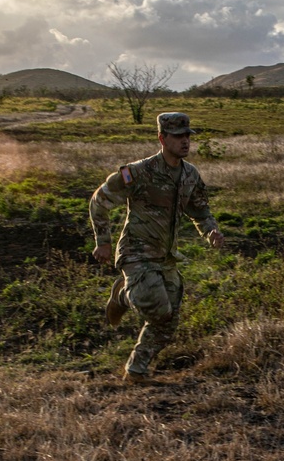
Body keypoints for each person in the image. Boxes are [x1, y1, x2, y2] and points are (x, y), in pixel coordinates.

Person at [89, 112, 224, 384]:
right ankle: (123, 296)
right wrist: (102, 242)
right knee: (158, 309)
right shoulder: (139, 172)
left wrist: (210, 230)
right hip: (136, 252)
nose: (185, 141)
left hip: (166, 257)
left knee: (167, 322)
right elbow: (99, 201)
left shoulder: (190, 174)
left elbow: (200, 210)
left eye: (188, 136)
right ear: (163, 139)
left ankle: (135, 371)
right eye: (178, 137)